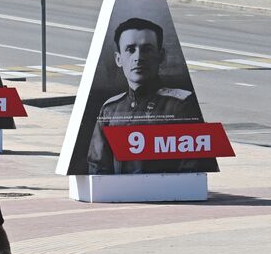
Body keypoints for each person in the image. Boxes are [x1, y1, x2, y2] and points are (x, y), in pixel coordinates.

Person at [87, 17, 203, 174]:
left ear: (161, 56)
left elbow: (192, 164)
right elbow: (98, 165)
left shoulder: (180, 105)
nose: (138, 57)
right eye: (130, 49)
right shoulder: (110, 109)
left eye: (147, 49)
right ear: (118, 59)